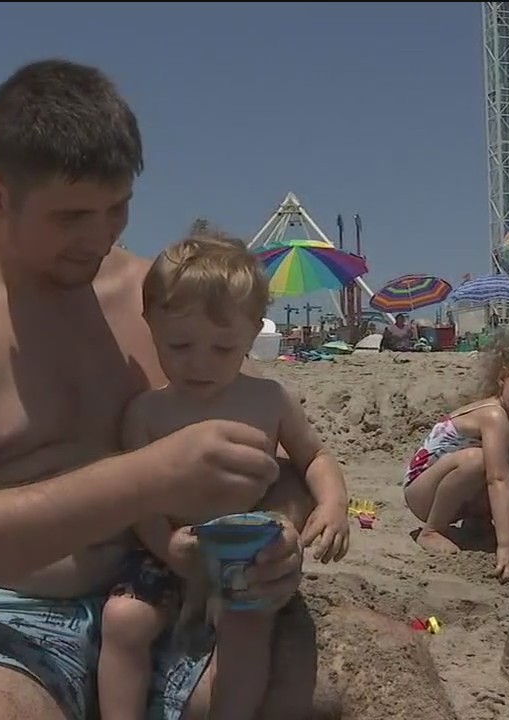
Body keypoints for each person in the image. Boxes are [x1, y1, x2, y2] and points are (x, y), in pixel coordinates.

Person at [0, 58, 321, 720]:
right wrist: (143, 479)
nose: (99, 238)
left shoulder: (163, 301)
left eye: (117, 209)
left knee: (290, 664)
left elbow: (269, 451)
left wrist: (283, 528)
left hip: (161, 594)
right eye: (71, 216)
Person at [97, 236, 351, 720]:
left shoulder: (268, 399)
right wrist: (166, 545)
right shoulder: (147, 411)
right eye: (180, 345)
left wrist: (333, 503)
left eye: (222, 347)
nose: (200, 362)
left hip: (245, 552)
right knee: (123, 619)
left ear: (254, 331)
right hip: (168, 548)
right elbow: (137, 499)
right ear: (150, 325)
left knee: (246, 627)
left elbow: (314, 455)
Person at [401, 326, 509, 582]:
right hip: (424, 493)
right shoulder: (494, 415)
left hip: (459, 493)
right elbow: (498, 480)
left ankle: (478, 522)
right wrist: (507, 546)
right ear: (505, 376)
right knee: (479, 461)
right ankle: (432, 530)